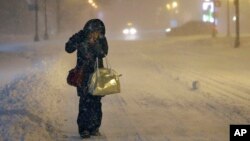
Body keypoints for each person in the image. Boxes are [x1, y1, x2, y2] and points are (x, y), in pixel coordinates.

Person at [65, 19, 108, 138]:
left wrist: (95, 44)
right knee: (85, 102)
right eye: (92, 31)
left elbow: (104, 53)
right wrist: (78, 39)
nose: (94, 34)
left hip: (97, 75)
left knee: (96, 102)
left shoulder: (101, 39)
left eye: (97, 32)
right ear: (87, 30)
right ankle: (83, 129)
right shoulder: (80, 37)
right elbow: (68, 49)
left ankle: (94, 127)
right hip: (83, 74)